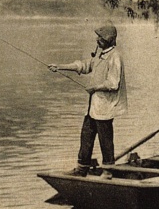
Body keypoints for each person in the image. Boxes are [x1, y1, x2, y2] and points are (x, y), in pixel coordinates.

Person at [49, 22, 127, 176]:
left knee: (106, 140)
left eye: (100, 38)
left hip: (106, 107)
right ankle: (82, 168)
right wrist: (59, 66)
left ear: (108, 40)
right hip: (94, 106)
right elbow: (84, 65)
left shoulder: (115, 57)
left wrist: (94, 88)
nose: (97, 40)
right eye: (98, 37)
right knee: (86, 135)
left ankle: (108, 171)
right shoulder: (100, 55)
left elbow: (113, 83)